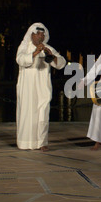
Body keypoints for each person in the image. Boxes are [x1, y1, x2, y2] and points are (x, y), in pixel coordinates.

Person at [16, 23, 66, 151]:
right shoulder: (24, 47)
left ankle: (42, 142)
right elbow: (20, 60)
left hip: (43, 86)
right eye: (38, 34)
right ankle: (25, 143)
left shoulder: (47, 48)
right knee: (27, 113)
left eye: (43, 35)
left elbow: (61, 63)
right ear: (31, 35)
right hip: (27, 86)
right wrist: (34, 53)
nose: (41, 37)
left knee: (43, 113)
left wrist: (52, 56)